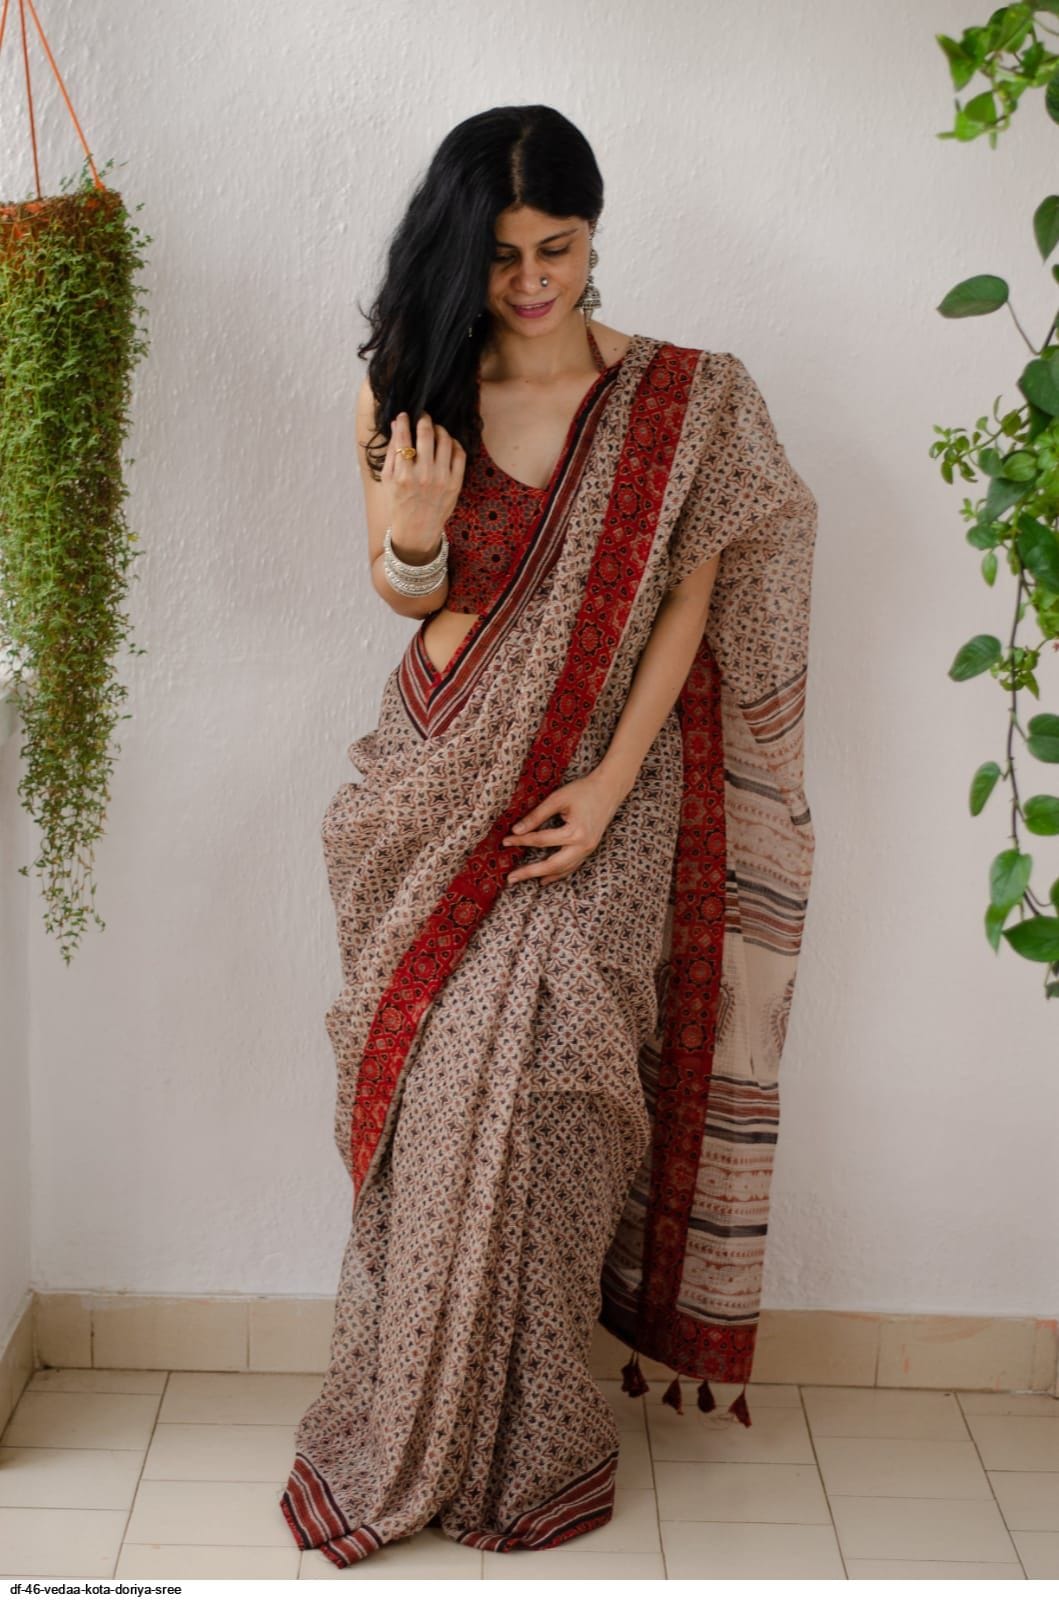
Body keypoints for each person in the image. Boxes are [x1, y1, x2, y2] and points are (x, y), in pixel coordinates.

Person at [279, 103, 819, 1569]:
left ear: (594, 233)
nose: (532, 282)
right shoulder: (409, 388)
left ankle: (539, 1436)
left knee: (554, 1096)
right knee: (438, 1109)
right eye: (506, 255)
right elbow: (411, 597)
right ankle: (411, 1425)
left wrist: (608, 779)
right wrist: (408, 528)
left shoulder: (686, 403)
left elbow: (692, 601)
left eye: (558, 249)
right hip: (434, 791)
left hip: (604, 800)